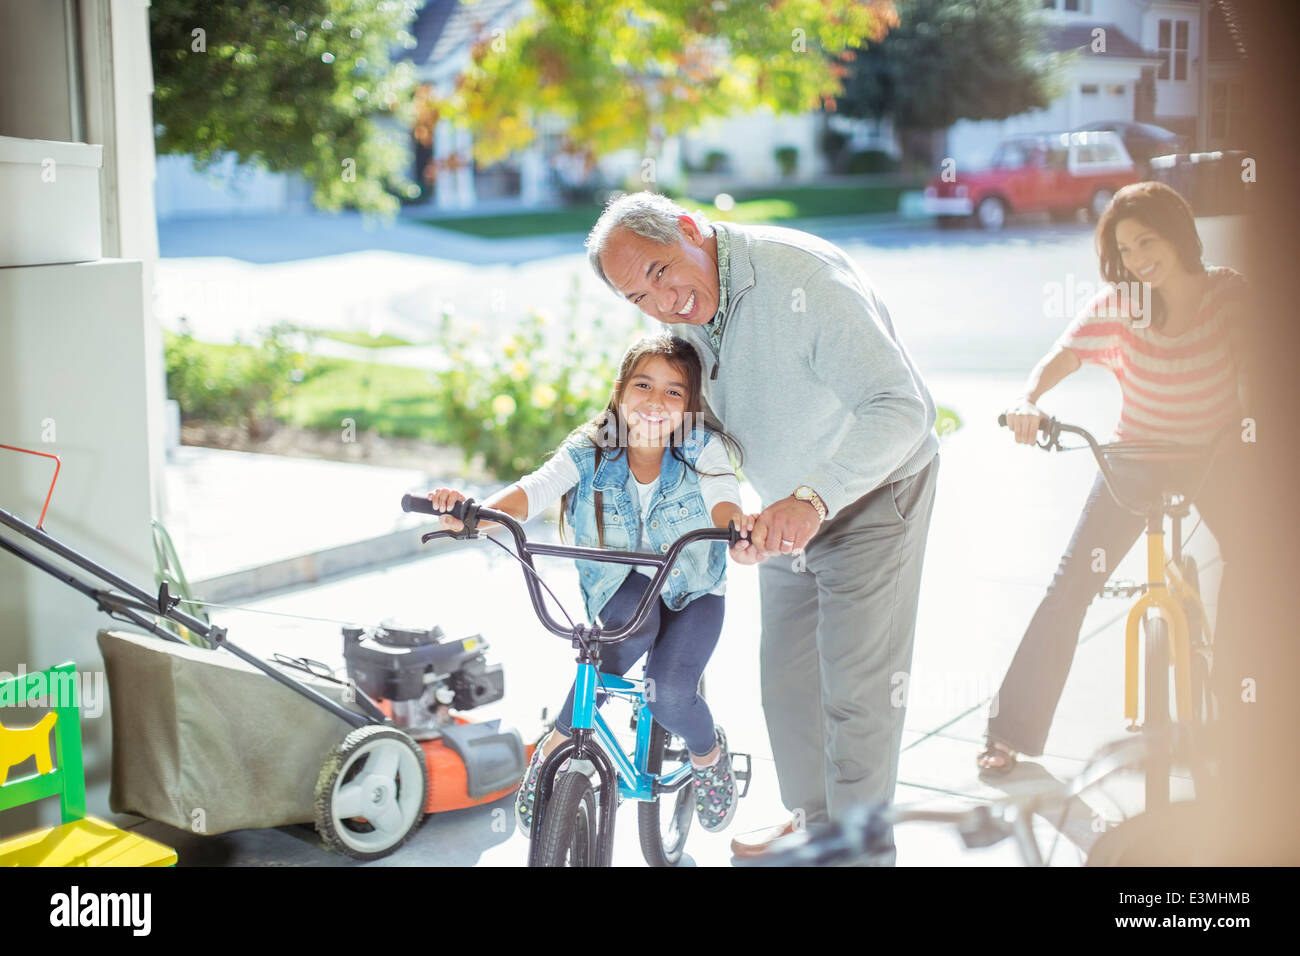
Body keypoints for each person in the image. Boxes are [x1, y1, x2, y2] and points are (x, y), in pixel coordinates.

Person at [584, 191, 940, 864]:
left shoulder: (803, 280)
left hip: (871, 494)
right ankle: (813, 826)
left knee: (856, 700)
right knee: (787, 685)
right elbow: (695, 424)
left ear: (690, 228)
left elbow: (902, 408)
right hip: (785, 508)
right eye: (639, 298)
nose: (663, 303)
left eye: (661, 272)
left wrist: (814, 499)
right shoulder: (686, 320)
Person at [427, 334, 758, 834]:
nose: (654, 401)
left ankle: (708, 755)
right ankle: (555, 749)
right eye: (643, 384)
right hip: (620, 583)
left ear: (691, 407)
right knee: (622, 639)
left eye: (674, 392)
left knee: (670, 694)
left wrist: (735, 528)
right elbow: (536, 488)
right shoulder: (592, 446)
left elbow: (722, 492)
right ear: (620, 390)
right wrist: (476, 514)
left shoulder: (700, 446)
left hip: (693, 588)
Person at [978, 181, 1253, 774]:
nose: (1136, 259)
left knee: (1256, 561)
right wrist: (1028, 399)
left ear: (1178, 234)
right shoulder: (1121, 303)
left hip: (1216, 453)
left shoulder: (1227, 293)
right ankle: (1010, 733)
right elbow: (1062, 355)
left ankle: (1241, 713)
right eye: (1125, 250)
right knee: (1071, 584)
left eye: (1146, 241)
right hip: (1137, 454)